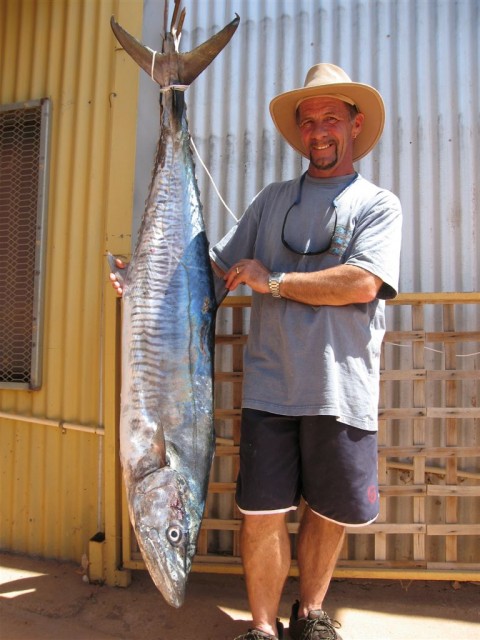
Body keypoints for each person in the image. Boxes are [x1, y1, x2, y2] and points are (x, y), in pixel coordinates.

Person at [209, 63, 402, 640]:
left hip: (341, 389)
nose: (318, 131)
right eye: (309, 122)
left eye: (331, 120)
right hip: (270, 385)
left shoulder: (378, 204)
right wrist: (147, 280)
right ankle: (264, 628)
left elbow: (362, 283)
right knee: (261, 512)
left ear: (355, 125)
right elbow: (218, 270)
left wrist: (273, 281)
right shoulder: (270, 201)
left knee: (326, 510)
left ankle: (311, 611)